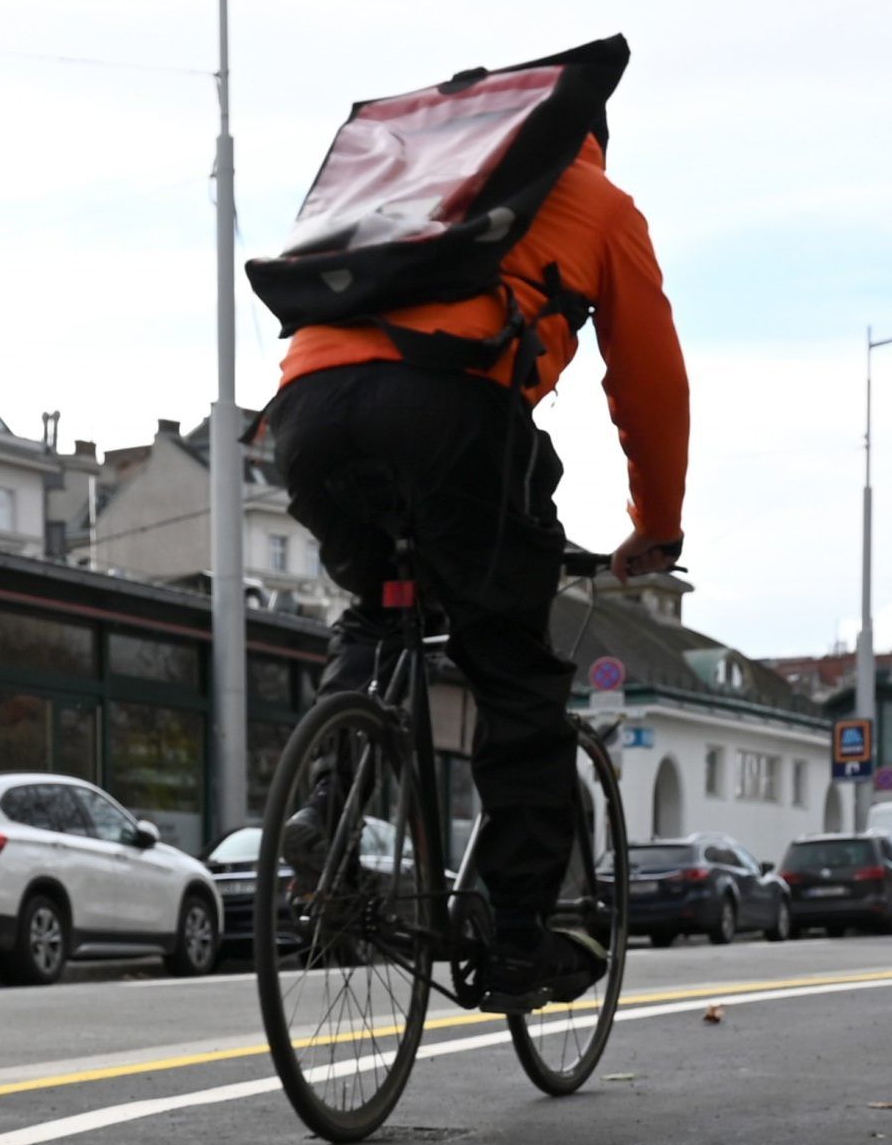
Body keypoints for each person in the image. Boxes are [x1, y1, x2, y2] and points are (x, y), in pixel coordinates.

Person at [265, 117, 688, 1003]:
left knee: (381, 610)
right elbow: (648, 382)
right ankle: (523, 933)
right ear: (590, 140)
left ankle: (326, 809)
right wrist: (657, 523)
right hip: (448, 414)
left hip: (307, 412)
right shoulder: (600, 204)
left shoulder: (422, 178)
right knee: (512, 667)